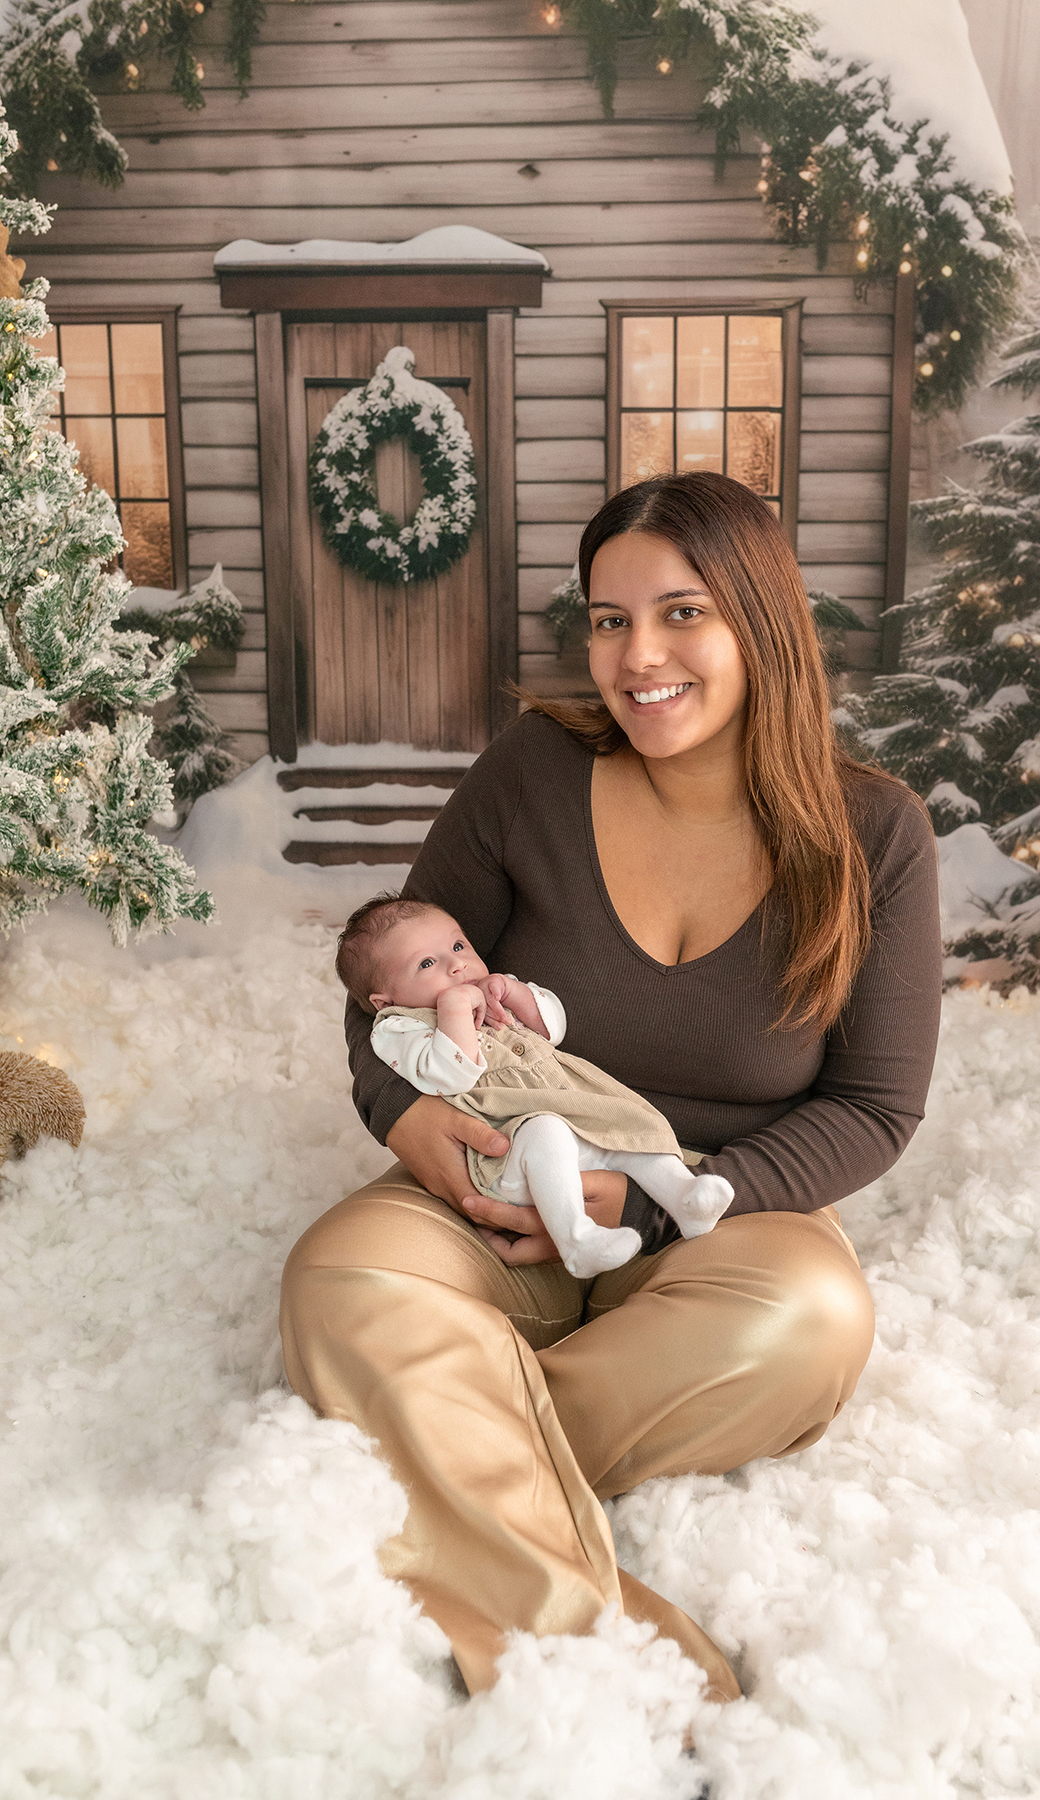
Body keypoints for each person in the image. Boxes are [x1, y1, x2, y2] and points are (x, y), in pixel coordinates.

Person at [280, 470, 943, 1701]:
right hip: (492, 1179)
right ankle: (604, 1665)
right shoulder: (533, 771)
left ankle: (437, 1437)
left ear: (762, 618)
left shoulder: (875, 835)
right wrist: (411, 1120)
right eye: (607, 618)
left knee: (814, 1326)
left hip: (709, 1215)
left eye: (682, 613)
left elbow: (876, 1109)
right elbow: (388, 980)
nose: (638, 657)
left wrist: (644, 1206)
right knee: (338, 1279)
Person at [336, 894, 734, 1277]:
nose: (457, 965)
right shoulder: (400, 1027)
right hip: (508, 1147)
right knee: (546, 1129)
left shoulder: (494, 987)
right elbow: (449, 1074)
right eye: (426, 963)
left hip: (576, 1116)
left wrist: (517, 995)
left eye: (458, 945)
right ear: (384, 1002)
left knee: (628, 1126)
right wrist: (455, 1011)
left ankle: (685, 1200)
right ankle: (577, 1240)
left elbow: (552, 1028)